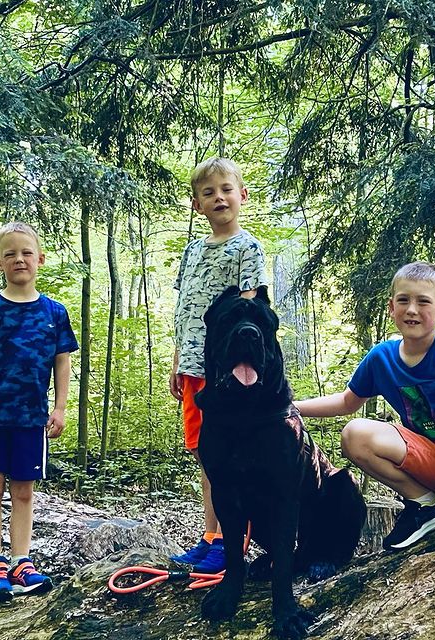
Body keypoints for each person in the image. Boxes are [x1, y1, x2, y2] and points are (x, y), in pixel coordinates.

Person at [295, 261, 435, 550]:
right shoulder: (382, 358)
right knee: (354, 434)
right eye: (403, 300)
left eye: (423, 301)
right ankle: (427, 506)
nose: (412, 309)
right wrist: (290, 406)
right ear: (391, 307)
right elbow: (347, 402)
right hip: (432, 460)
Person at [0, 221, 79, 600]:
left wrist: (60, 408)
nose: (19, 259)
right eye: (10, 253)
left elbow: (63, 362)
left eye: (26, 252)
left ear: (40, 258)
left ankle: (22, 561)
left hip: (32, 419)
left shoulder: (54, 312)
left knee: (24, 492)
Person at [169, 157, 268, 573]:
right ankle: (212, 535)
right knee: (205, 454)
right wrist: (177, 360)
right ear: (197, 205)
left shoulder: (248, 248)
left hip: (227, 372)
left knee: (231, 455)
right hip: (193, 369)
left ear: (242, 195)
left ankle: (233, 541)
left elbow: (251, 312)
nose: (219, 198)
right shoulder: (192, 250)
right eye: (208, 193)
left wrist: (239, 364)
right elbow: (184, 308)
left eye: (226, 189)